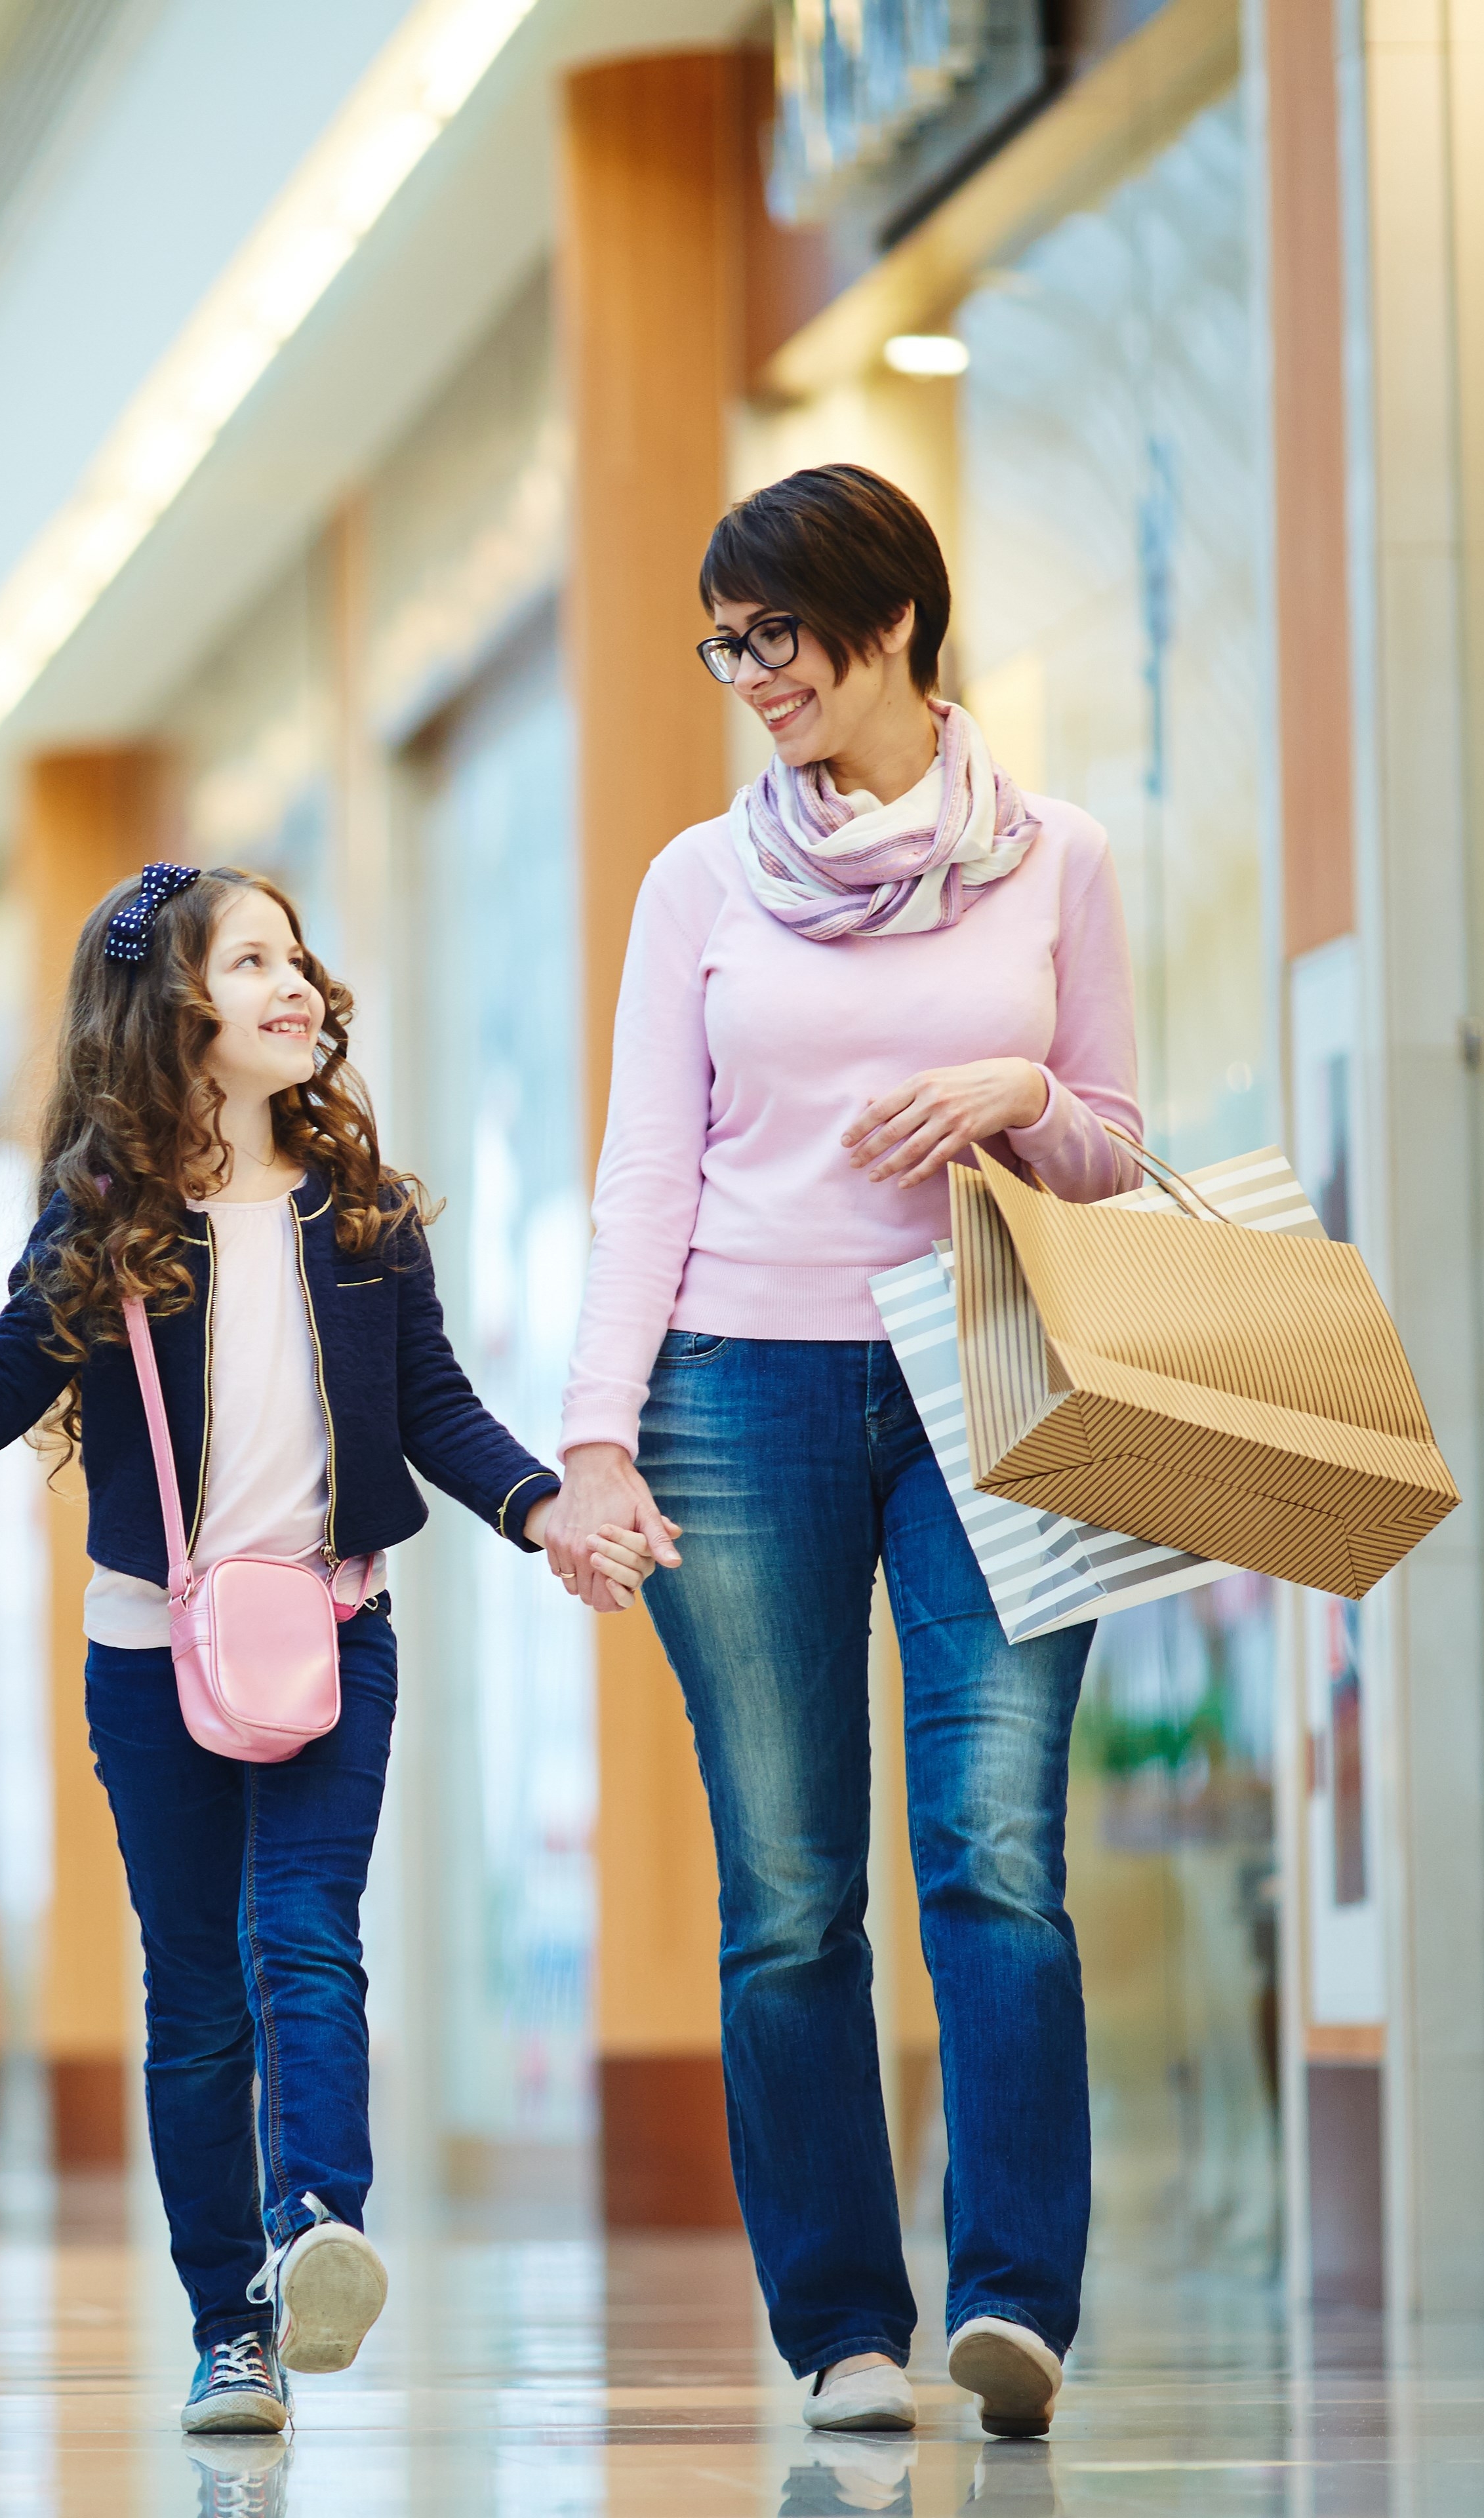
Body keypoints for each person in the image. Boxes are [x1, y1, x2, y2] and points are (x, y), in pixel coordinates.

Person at [0, 863, 652, 2437]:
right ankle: (229, 2331)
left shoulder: (366, 1214)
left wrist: (543, 1510)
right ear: (176, 1013)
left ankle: (318, 2224)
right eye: (251, 960)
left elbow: (439, 1412)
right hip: (153, 1662)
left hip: (339, 1635)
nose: (295, 985)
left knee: (303, 1933)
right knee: (196, 1995)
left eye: (298, 957)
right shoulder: (104, 1221)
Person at [543, 464, 1142, 2441]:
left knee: (998, 1856)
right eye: (721, 645)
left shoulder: (1058, 858)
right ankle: (841, 2331)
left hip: (992, 1372)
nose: (747, 678)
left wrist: (1023, 1086)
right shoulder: (700, 883)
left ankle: (1015, 2304)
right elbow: (646, 1174)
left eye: (770, 636)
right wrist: (597, 1436)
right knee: (791, 1885)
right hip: (741, 1390)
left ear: (888, 621)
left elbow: (1115, 1148)